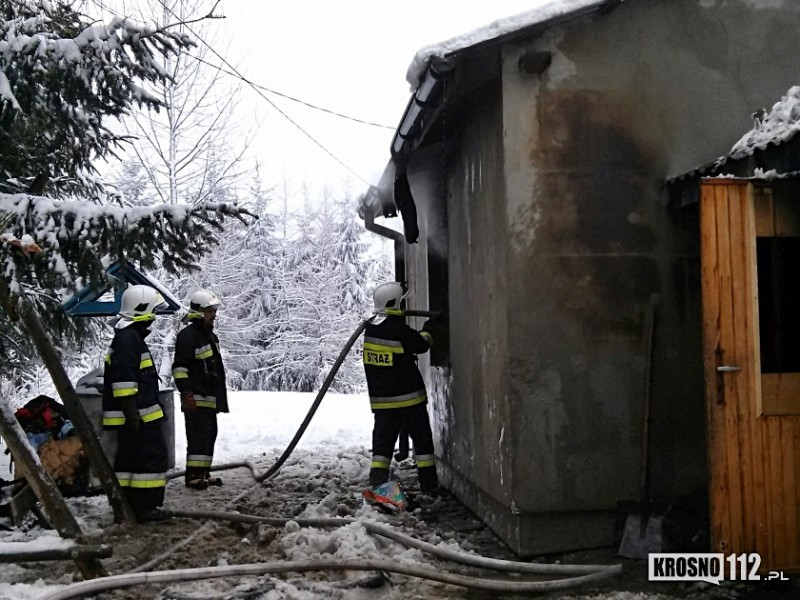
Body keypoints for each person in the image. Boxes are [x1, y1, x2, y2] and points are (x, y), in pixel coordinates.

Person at [363, 281, 441, 495]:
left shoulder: (371, 327)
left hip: (383, 402)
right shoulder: (397, 329)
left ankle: (378, 487)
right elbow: (421, 344)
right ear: (394, 302)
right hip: (409, 399)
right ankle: (429, 486)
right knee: (423, 444)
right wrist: (430, 329)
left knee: (382, 447)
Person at [102, 285, 169, 522]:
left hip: (135, 415)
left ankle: (128, 504)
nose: (154, 317)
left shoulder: (128, 337)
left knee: (130, 461)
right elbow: (124, 380)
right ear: (142, 310)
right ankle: (145, 507)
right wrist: (132, 414)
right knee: (152, 458)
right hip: (137, 415)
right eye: (152, 310)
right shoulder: (129, 340)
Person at [171, 289, 228, 490]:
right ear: (199, 312)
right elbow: (179, 368)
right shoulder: (188, 337)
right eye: (210, 311)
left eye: (214, 310)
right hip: (195, 397)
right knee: (197, 437)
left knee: (209, 435)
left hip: (209, 398)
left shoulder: (209, 336)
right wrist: (186, 393)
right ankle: (193, 475)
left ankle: (203, 472)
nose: (214, 314)